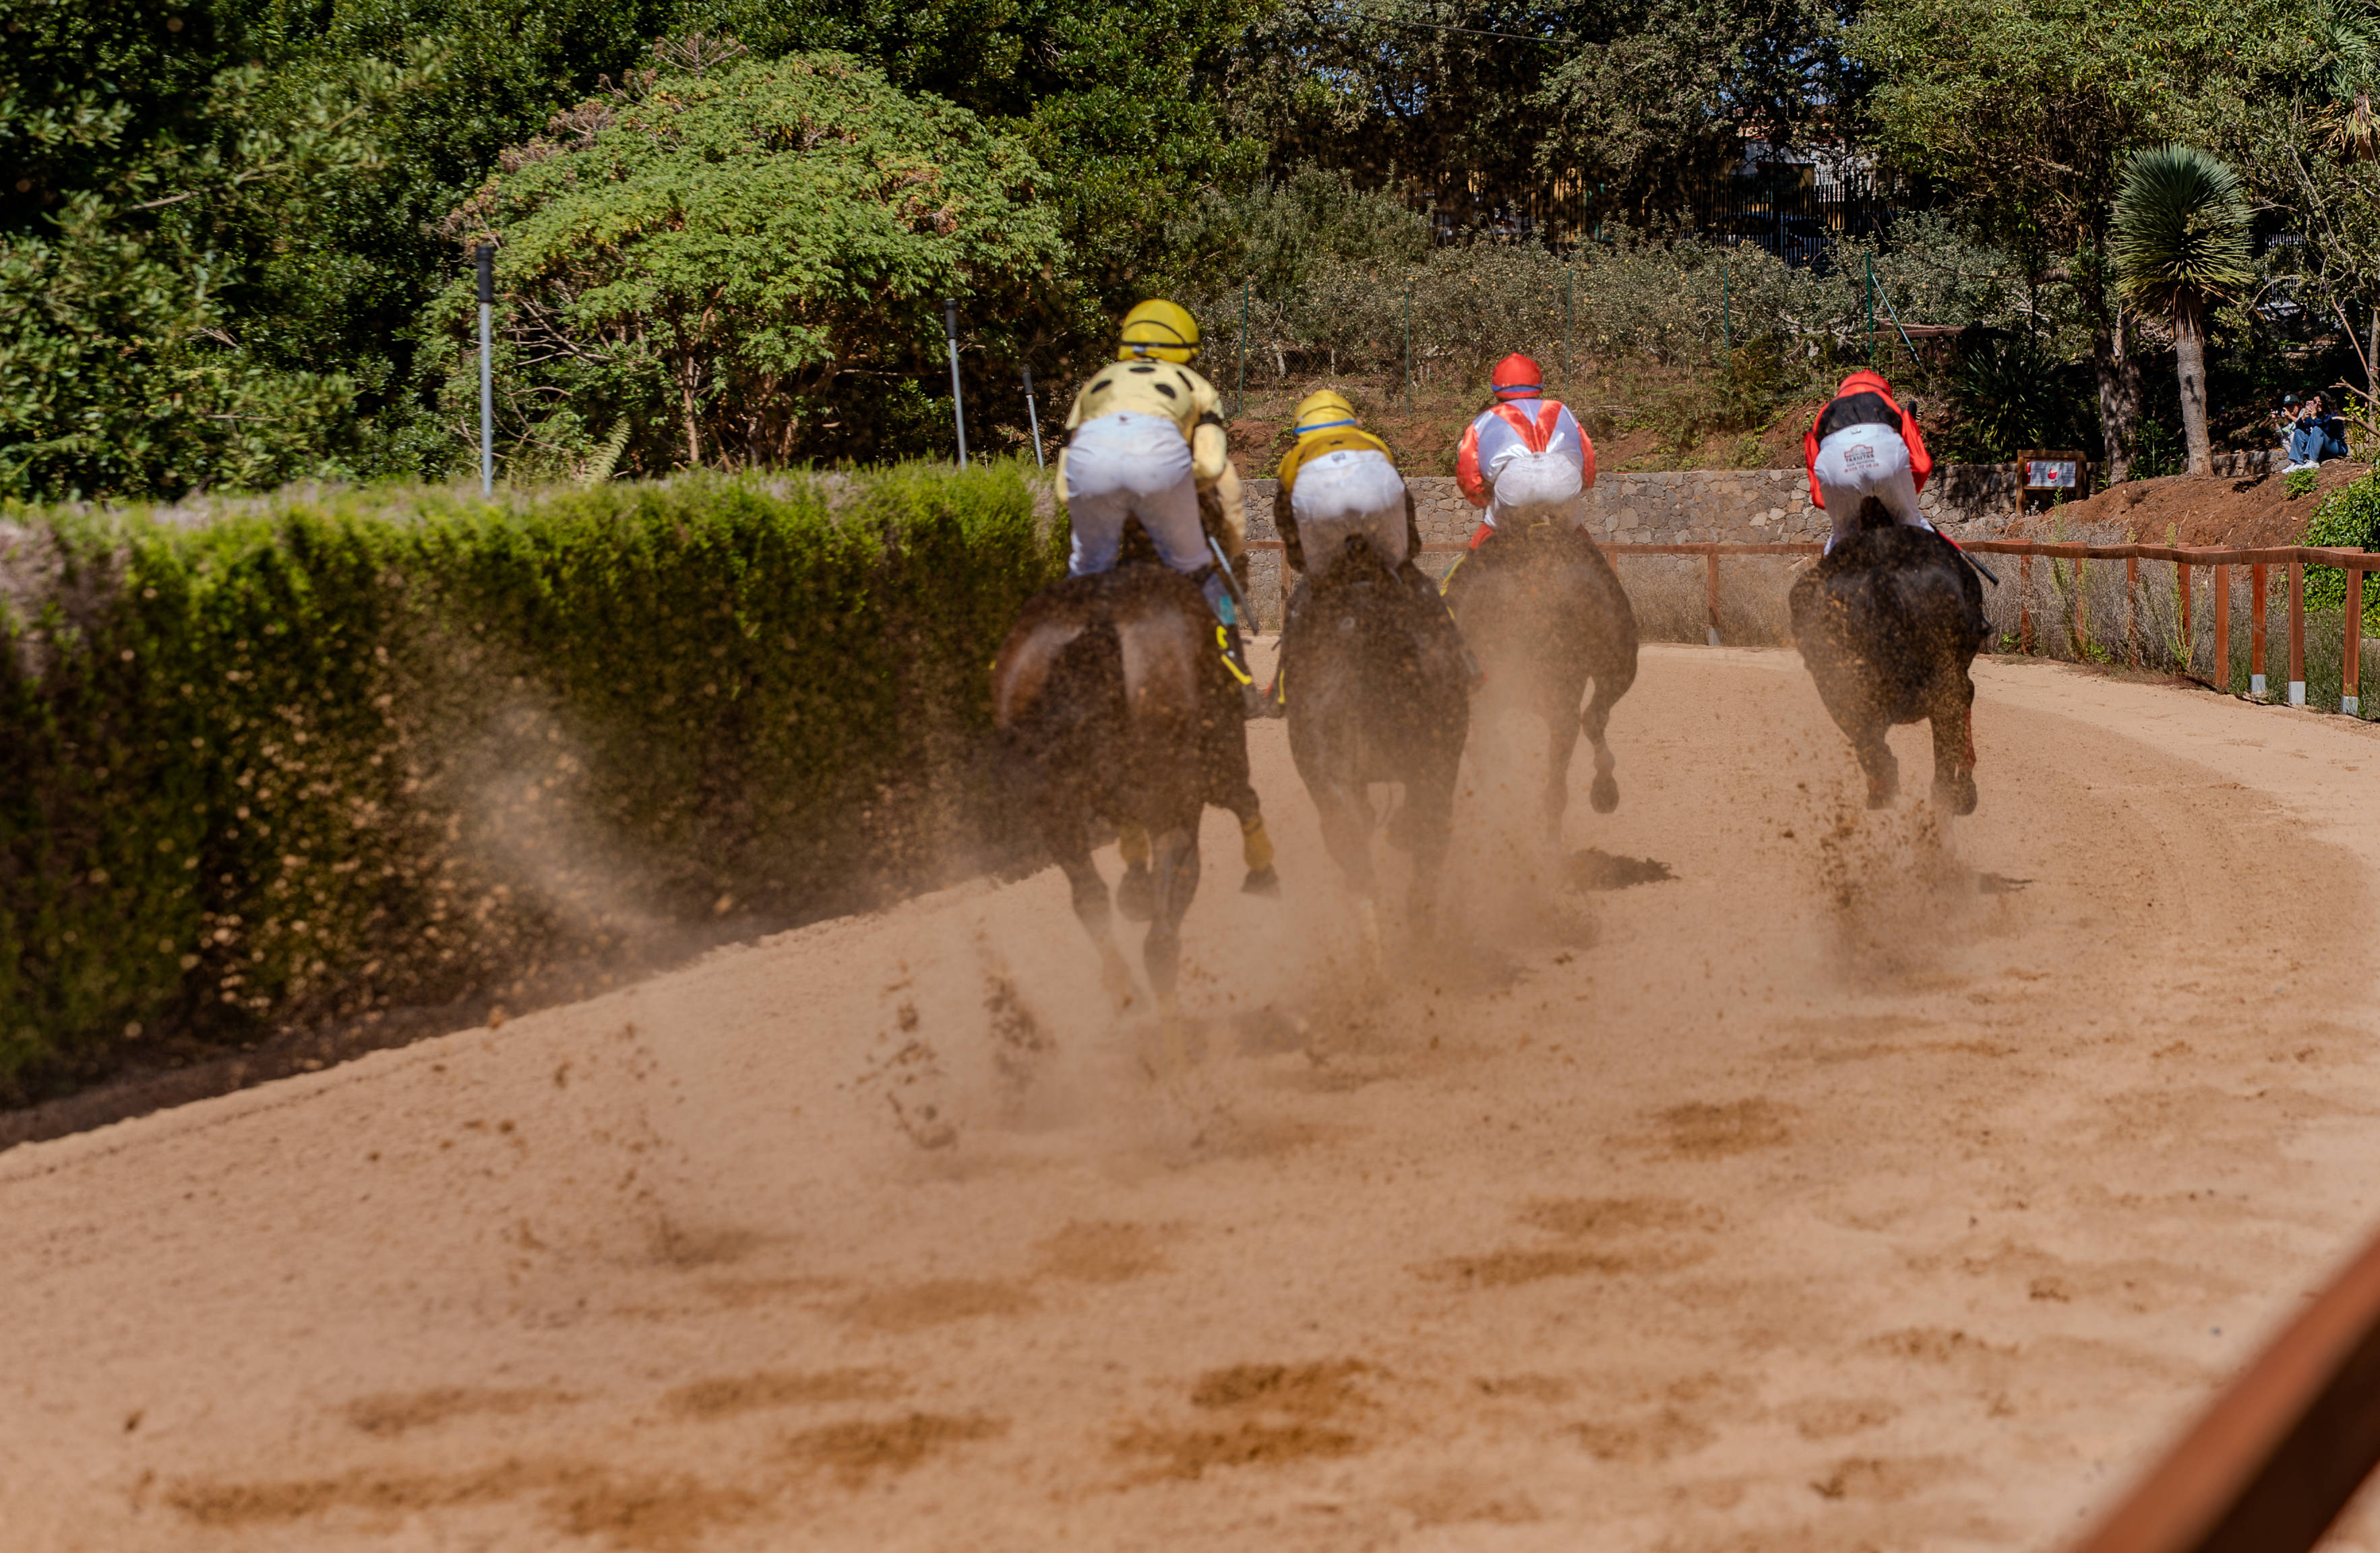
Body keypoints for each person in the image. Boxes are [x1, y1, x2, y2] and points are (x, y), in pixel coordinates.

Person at [1057, 298, 1260, 712]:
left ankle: (1056, 665)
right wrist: (1173, 489)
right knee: (1198, 571)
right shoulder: (1194, 385)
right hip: (1162, 465)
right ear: (1186, 350)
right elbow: (1211, 464)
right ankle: (1238, 679)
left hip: (1089, 466)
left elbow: (1065, 485)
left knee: (1085, 571)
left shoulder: (1096, 384)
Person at [1262, 390, 1473, 714]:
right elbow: (1404, 506)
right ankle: (1465, 662)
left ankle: (1279, 690)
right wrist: (1405, 556)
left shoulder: (1295, 457)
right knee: (1422, 588)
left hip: (1316, 499)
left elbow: (1285, 521)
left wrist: (1308, 567)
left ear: (1300, 430)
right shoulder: (1375, 445)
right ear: (1351, 422)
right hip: (1377, 494)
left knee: (1300, 605)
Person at [1455, 353, 1597, 544]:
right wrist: (1582, 486)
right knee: (1577, 533)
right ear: (1538, 385)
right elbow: (1588, 460)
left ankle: (1469, 569)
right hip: (1563, 479)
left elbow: (1468, 475)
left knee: (1490, 528)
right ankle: (1605, 572)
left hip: (1514, 484)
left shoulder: (1483, 420)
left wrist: (1485, 500)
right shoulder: (1561, 409)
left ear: (1496, 390)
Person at [1804, 368, 1935, 553]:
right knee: (1914, 525)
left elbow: (1818, 498)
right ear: (1884, 390)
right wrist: (1902, 491)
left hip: (1838, 468)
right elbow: (1922, 465)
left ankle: (1827, 570)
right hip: (1886, 462)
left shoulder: (1822, 416)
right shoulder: (1890, 405)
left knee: (1841, 539)